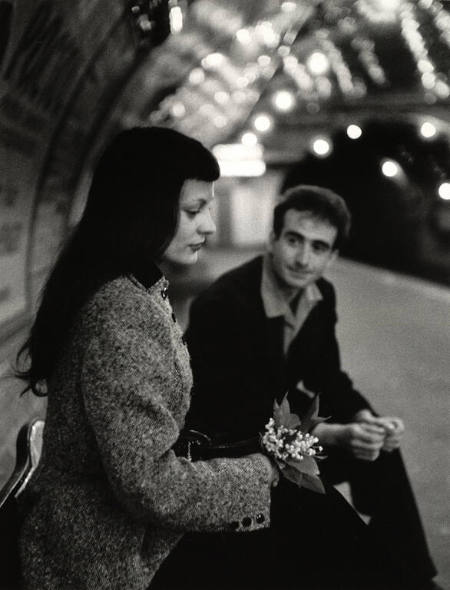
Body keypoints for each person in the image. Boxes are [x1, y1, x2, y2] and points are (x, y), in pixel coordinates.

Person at [15, 126, 279, 590]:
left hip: (117, 539)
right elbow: (151, 487)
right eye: (194, 210)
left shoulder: (124, 286)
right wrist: (262, 472)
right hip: (108, 559)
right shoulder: (122, 312)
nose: (210, 226)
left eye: (209, 208)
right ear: (142, 210)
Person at [185, 184, 439, 590]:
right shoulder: (224, 303)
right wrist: (332, 436)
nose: (304, 259)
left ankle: (417, 578)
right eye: (294, 240)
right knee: (337, 525)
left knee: (379, 449)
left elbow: (329, 379)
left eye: (319, 248)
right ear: (272, 239)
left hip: (282, 430)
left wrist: (366, 420)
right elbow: (235, 410)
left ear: (333, 256)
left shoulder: (322, 295)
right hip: (231, 447)